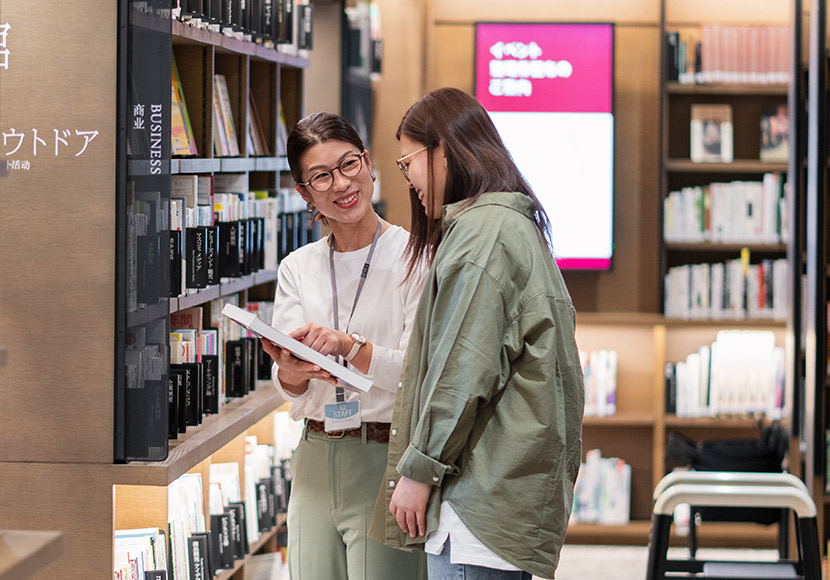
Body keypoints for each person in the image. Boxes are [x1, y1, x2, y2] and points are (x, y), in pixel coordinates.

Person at [368, 87, 585, 580]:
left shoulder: (481, 235)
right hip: (497, 496)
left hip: (476, 504)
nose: (410, 182)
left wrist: (419, 469)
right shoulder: (507, 223)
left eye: (409, 163)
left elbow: (463, 368)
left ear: (443, 151)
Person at [260, 112, 427, 580]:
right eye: (321, 176)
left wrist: (349, 346)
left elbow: (418, 373)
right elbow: (289, 388)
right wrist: (292, 369)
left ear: (368, 162)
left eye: (348, 164)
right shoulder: (297, 267)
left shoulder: (416, 257)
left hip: (384, 454)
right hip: (313, 455)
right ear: (304, 192)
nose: (340, 183)